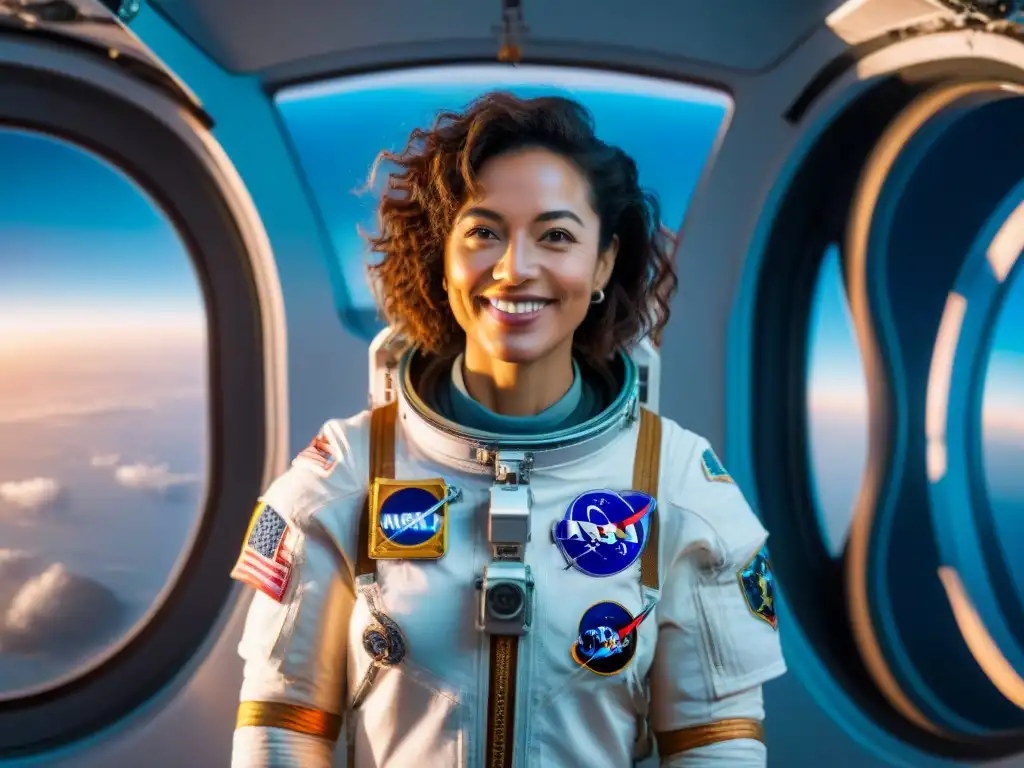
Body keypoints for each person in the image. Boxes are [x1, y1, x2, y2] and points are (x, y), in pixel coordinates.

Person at [229, 92, 786, 768]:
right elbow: (280, 733)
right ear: (442, 255)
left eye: (556, 235)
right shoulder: (342, 476)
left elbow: (715, 749)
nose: (516, 267)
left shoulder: (679, 487)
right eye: (484, 231)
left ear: (604, 261)